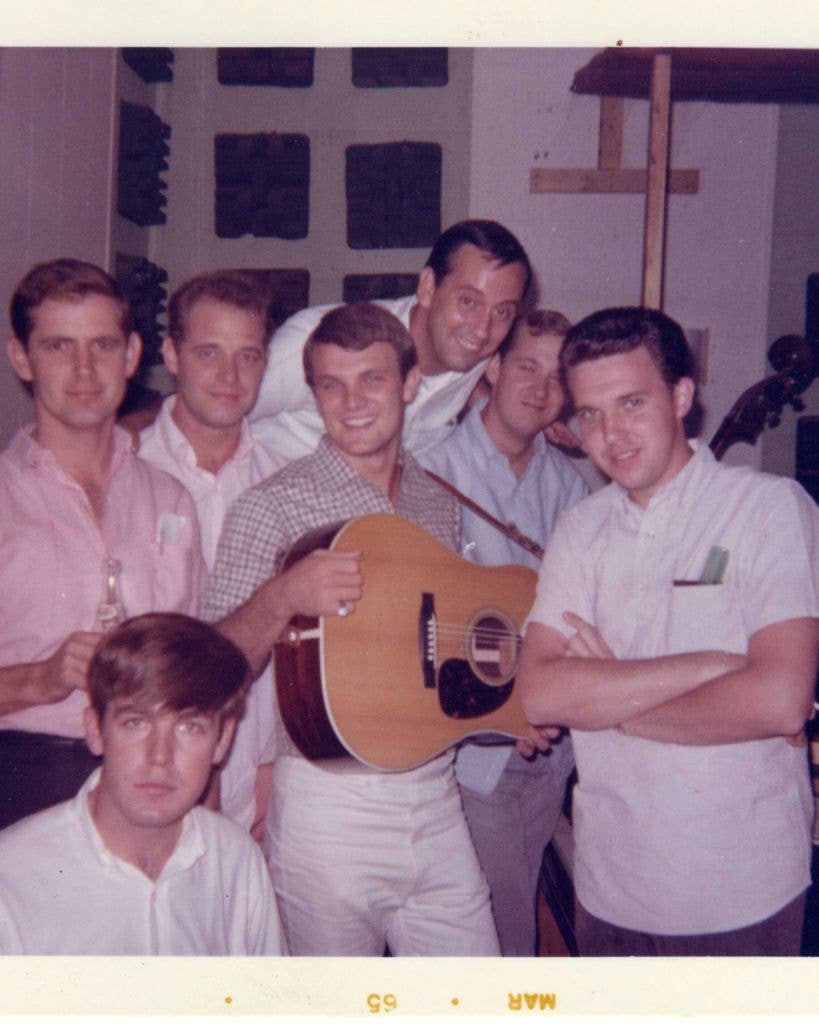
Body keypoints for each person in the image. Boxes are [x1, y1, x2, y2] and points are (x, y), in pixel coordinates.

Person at [203, 301, 510, 956]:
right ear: (312, 395)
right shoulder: (271, 505)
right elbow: (210, 670)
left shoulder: (434, 499)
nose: (351, 402)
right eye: (330, 385)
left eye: (371, 379)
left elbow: (438, 657)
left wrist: (509, 707)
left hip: (436, 800)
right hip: (328, 813)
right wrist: (285, 594)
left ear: (407, 386)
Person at [518, 306, 818, 956]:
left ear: (681, 396)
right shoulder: (579, 528)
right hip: (608, 892)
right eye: (589, 413)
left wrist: (603, 701)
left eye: (630, 402)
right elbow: (539, 694)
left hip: (740, 894)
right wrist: (710, 664)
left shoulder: (768, 510)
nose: (610, 434)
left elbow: (777, 700)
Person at [0, 259, 206, 830]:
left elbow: (193, 669)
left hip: (155, 776)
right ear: (22, 358)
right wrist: (36, 679)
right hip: (22, 777)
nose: (85, 369)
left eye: (103, 346)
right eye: (60, 347)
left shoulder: (172, 500)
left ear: (133, 354)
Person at [421, 309, 587, 956]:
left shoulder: (570, 486)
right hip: (471, 751)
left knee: (519, 919)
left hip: (549, 756)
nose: (540, 389)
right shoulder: (432, 469)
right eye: (525, 366)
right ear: (491, 368)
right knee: (496, 937)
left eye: (556, 375)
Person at [0, 613, 285, 954]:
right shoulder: (14, 875)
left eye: (189, 727)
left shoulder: (236, 861)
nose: (159, 756)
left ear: (223, 741)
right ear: (95, 730)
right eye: (136, 723)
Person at [138, 270, 286, 835]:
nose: (229, 376)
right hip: (153, 770)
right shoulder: (132, 471)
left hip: (261, 774)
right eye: (208, 353)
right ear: (172, 354)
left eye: (248, 356)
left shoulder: (283, 483)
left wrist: (274, 762)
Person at [249, 219, 531, 460]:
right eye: (468, 302)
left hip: (362, 519)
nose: (483, 329)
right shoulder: (317, 342)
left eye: (503, 311)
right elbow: (217, 414)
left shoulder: (474, 357)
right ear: (428, 287)